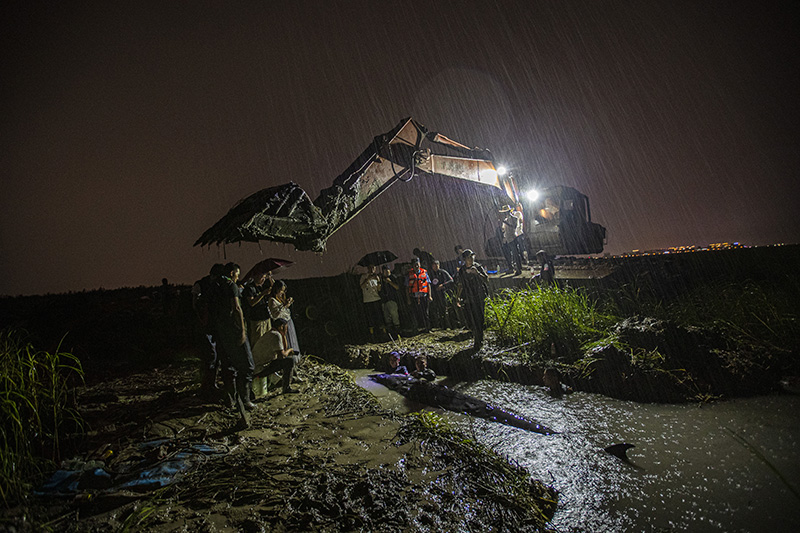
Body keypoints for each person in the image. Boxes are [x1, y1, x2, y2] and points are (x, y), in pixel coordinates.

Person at [210, 262, 255, 428]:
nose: (238, 277)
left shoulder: (214, 287)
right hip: (233, 330)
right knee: (248, 365)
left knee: (228, 367)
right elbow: (237, 308)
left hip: (220, 331)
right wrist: (243, 331)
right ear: (231, 273)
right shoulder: (231, 287)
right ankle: (245, 399)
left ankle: (231, 399)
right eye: (237, 274)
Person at [191, 264, 224, 399]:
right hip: (204, 325)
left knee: (215, 357)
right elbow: (194, 305)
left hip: (213, 325)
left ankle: (211, 384)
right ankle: (206, 387)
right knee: (210, 356)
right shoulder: (200, 285)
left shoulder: (216, 286)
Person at [253, 318, 298, 394]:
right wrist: (290, 350)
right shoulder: (276, 335)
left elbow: (283, 349)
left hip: (258, 366)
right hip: (260, 369)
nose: (286, 331)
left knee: (287, 360)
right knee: (290, 361)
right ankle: (286, 388)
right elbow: (282, 356)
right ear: (281, 327)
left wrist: (283, 335)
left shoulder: (271, 333)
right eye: (286, 328)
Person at [456, 249, 489, 350]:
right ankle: (477, 338)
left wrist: (477, 273)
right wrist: (458, 297)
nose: (471, 258)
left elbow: (486, 279)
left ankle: (479, 341)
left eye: (472, 256)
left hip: (479, 296)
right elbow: (460, 284)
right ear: (465, 259)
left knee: (479, 318)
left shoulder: (477, 267)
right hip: (468, 297)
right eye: (469, 257)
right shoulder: (462, 270)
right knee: (472, 320)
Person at [268, 280, 300, 355]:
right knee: (285, 342)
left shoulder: (280, 299)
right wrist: (285, 306)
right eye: (281, 290)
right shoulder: (272, 300)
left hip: (287, 321)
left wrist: (287, 303)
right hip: (280, 325)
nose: (282, 292)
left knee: (292, 339)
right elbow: (275, 314)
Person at [242, 271, 273, 346]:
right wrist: (263, 294)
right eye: (262, 277)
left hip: (266, 317)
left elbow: (274, 288)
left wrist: (270, 278)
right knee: (257, 342)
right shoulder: (250, 288)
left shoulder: (260, 287)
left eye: (265, 277)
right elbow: (252, 302)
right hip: (256, 320)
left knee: (268, 341)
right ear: (255, 276)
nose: (263, 279)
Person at [406, 257, 432, 334]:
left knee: (425, 313)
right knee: (414, 313)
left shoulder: (424, 273)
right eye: (414, 265)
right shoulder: (409, 275)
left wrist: (429, 296)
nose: (416, 266)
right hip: (413, 297)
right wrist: (408, 299)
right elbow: (407, 288)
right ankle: (415, 329)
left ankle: (427, 328)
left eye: (417, 264)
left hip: (423, 296)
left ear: (419, 264)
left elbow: (428, 284)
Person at [359, 264, 384, 340]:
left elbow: (379, 289)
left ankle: (382, 332)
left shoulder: (376, 277)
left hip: (376, 298)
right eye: (370, 267)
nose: (372, 269)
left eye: (373, 267)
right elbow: (362, 286)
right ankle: (372, 334)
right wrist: (368, 279)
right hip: (368, 300)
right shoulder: (364, 276)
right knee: (370, 317)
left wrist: (379, 281)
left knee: (379, 316)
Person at [428, 260, 453, 329]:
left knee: (443, 309)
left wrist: (443, 285)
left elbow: (451, 280)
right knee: (434, 310)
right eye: (434, 265)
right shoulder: (430, 273)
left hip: (442, 293)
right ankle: (436, 325)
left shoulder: (443, 272)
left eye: (437, 265)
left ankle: (445, 325)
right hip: (433, 294)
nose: (435, 266)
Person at [500, 205, 524, 276]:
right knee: (508, 255)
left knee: (515, 254)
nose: (505, 214)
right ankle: (511, 268)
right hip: (507, 239)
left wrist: (505, 223)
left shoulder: (514, 218)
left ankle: (519, 269)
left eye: (506, 212)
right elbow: (503, 229)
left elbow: (514, 227)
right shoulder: (506, 220)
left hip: (513, 238)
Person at [379, 265, 401, 338]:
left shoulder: (393, 277)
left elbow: (397, 287)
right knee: (387, 317)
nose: (386, 272)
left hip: (392, 300)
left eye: (387, 270)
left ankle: (398, 332)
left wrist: (390, 282)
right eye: (384, 271)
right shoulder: (381, 279)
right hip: (384, 301)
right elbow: (379, 290)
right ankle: (390, 333)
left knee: (394, 316)